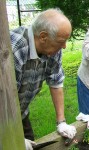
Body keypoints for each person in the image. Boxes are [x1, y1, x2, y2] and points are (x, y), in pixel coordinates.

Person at [10, 8, 77, 150]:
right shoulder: (14, 49)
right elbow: (4, 100)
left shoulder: (52, 48)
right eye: (61, 41)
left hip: (20, 113)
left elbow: (56, 81)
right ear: (43, 36)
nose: (64, 46)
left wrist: (61, 122)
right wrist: (12, 138)